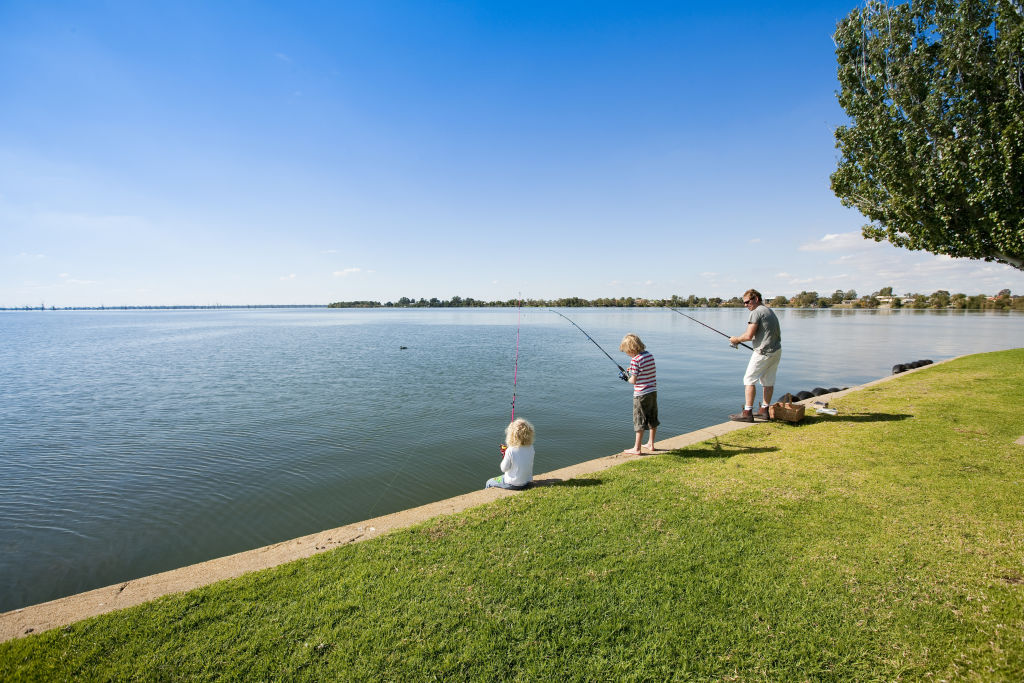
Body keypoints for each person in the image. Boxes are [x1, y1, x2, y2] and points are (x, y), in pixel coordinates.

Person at [728, 288, 782, 422]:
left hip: (763, 353)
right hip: (776, 351)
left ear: (756, 299)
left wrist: (736, 340)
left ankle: (747, 412)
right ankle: (764, 410)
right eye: (744, 303)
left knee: (749, 379)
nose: (746, 305)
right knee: (768, 381)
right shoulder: (768, 311)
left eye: (747, 302)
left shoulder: (756, 312)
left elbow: (748, 335)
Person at [619, 333, 660, 454]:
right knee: (652, 418)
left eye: (627, 352)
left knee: (639, 420)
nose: (627, 354)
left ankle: (637, 448)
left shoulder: (635, 360)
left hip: (641, 394)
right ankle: (651, 444)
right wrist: (631, 370)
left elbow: (633, 381)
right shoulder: (649, 355)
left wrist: (626, 378)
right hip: (652, 391)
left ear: (632, 349)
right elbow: (645, 370)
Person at [485, 418, 535, 490]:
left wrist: (505, 455)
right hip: (527, 481)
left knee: (489, 482)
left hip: (513, 484)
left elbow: (504, 468)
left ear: (512, 435)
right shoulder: (530, 447)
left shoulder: (510, 450)